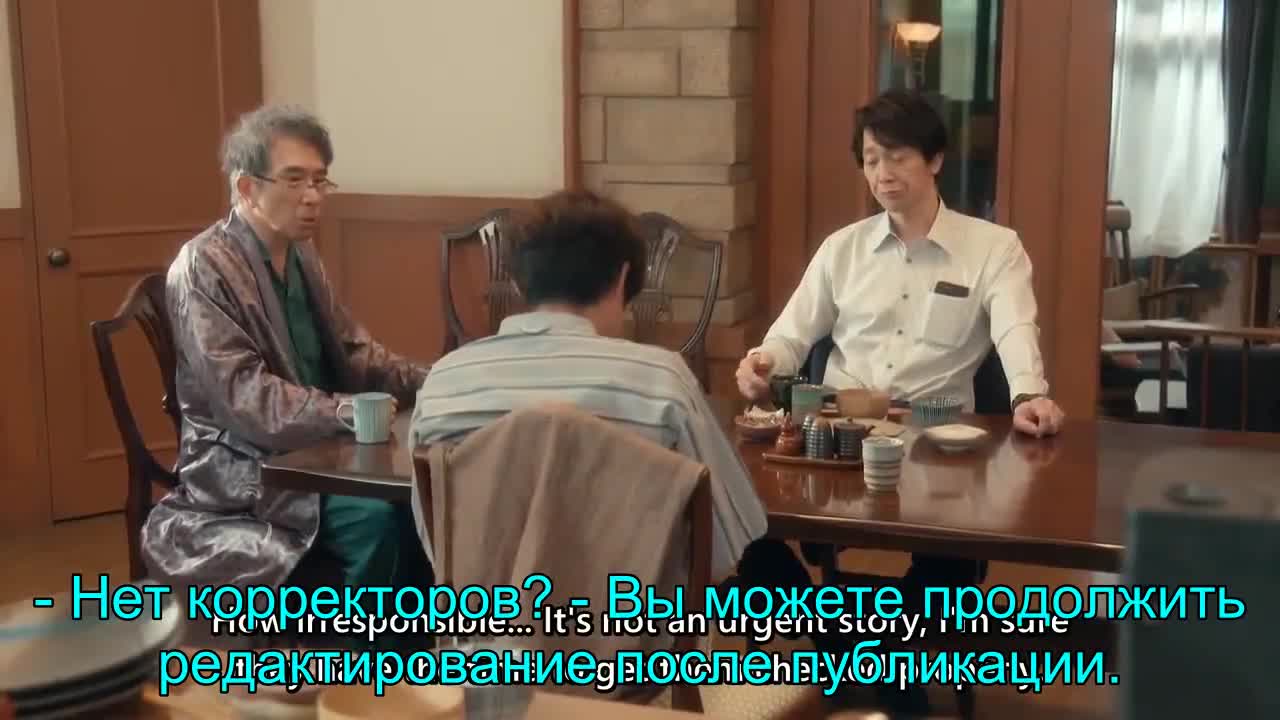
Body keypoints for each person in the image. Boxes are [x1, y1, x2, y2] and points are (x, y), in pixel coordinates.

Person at [141, 106, 431, 643]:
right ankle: (363, 661)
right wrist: (341, 410)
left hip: (319, 450)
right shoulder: (203, 265)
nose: (313, 196)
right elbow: (243, 396)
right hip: (242, 460)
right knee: (378, 517)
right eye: (295, 180)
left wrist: (436, 378)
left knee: (422, 502)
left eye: (320, 180)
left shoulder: (301, 256)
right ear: (247, 188)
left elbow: (355, 352)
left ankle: (410, 657)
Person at [407, 190, 767, 584]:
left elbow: (435, 543)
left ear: (518, 283)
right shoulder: (662, 383)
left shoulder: (443, 384)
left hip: (485, 619)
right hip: (636, 619)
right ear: (623, 279)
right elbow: (721, 547)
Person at [737, 89, 1065, 437]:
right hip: (838, 432)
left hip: (935, 434)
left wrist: (1028, 395)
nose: (883, 175)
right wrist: (764, 363)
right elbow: (790, 338)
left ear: (935, 161)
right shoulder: (841, 248)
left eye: (898, 158)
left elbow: (1015, 328)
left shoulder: (994, 248)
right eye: (872, 161)